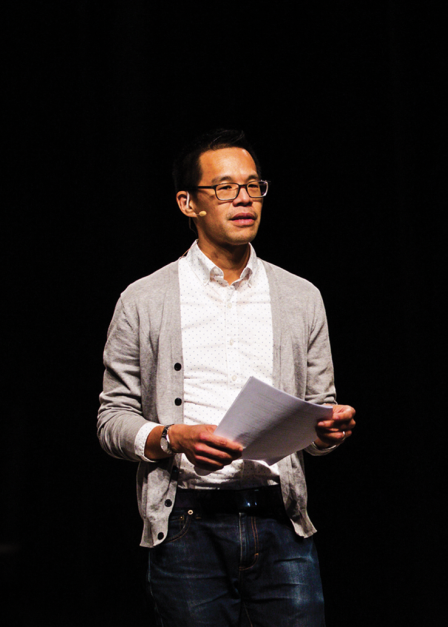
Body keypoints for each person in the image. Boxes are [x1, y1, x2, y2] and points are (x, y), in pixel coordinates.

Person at [96, 129, 356, 626]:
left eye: (254, 186)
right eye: (224, 187)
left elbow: (321, 411)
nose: (243, 198)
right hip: (187, 522)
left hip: (281, 522)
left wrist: (327, 430)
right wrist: (171, 437)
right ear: (187, 203)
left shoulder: (301, 297)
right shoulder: (144, 299)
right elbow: (111, 419)